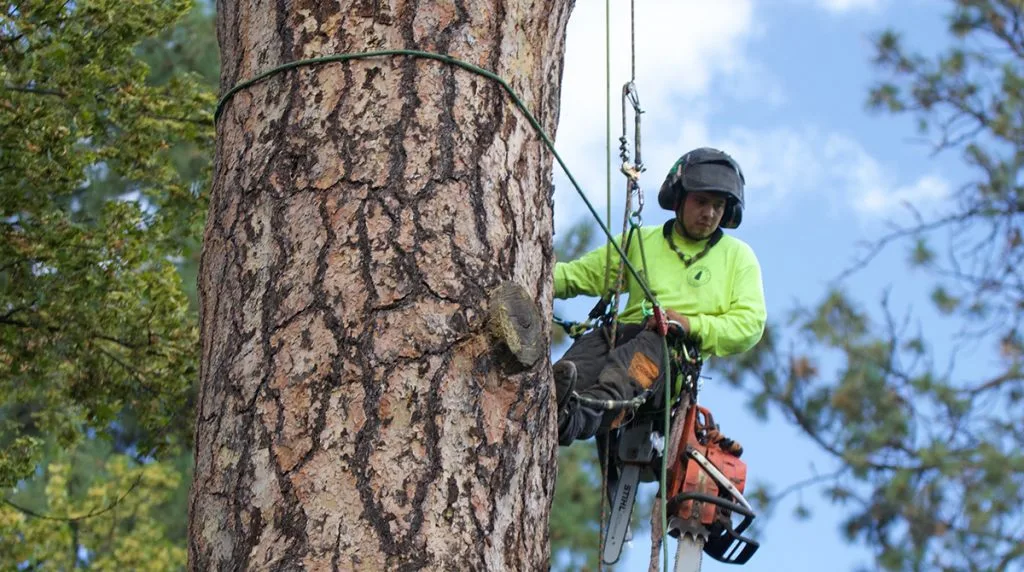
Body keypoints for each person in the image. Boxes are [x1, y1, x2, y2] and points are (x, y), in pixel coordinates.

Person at [553, 147, 767, 446]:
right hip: (621, 337)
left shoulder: (738, 257)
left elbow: (750, 324)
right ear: (679, 198)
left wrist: (690, 325)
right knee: (582, 358)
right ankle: (549, 405)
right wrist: (530, 274)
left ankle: (579, 415)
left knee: (648, 349)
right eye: (701, 201)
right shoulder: (642, 242)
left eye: (718, 206)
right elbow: (578, 276)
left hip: (670, 359)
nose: (709, 213)